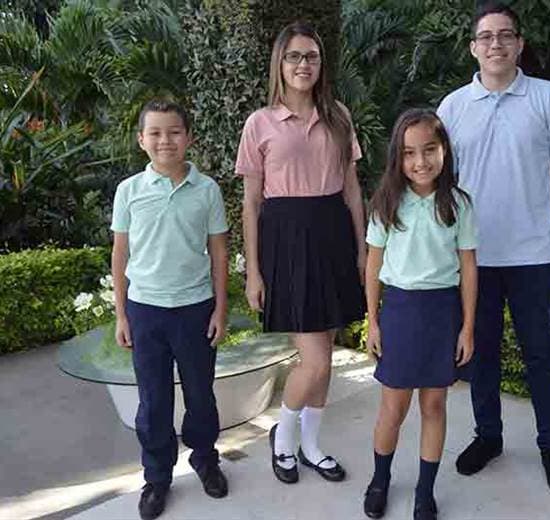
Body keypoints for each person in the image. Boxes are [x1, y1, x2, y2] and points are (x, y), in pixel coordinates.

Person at [436, 1, 550, 495]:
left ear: (519, 44)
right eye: (486, 36)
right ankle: (488, 437)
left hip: (532, 257)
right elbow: (439, 179)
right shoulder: (453, 108)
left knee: (540, 353)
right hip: (474, 258)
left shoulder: (548, 97)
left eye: (505, 35)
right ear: (473, 48)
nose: (495, 43)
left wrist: (541, 217)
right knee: (481, 354)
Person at [235, 22, 366, 485]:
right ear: (280, 63)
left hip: (332, 236)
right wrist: (254, 271)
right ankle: (283, 437)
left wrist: (362, 250)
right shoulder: (260, 123)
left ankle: (311, 446)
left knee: (325, 354)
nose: (303, 64)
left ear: (321, 64)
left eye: (311, 56)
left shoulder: (339, 116)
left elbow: (352, 190)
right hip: (286, 242)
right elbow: (251, 203)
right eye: (294, 56)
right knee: (315, 360)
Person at [111, 99, 230, 520]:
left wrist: (220, 309)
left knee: (200, 394)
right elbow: (120, 254)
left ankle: (205, 459)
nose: (166, 140)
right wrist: (121, 314)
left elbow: (219, 252)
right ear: (141, 140)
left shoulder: (207, 190)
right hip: (145, 312)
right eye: (156, 133)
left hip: (195, 309)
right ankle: (157, 476)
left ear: (189, 137)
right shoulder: (129, 191)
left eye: (174, 131)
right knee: (153, 400)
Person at [362, 109, 477, 520]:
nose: (420, 161)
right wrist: (373, 322)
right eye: (409, 153)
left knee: (434, 406)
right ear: (397, 157)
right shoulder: (386, 204)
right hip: (400, 313)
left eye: (429, 150)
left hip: (442, 314)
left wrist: (467, 327)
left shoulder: (459, 204)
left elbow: (468, 268)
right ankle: (380, 480)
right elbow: (373, 266)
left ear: (444, 150)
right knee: (393, 409)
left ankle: (424, 492)